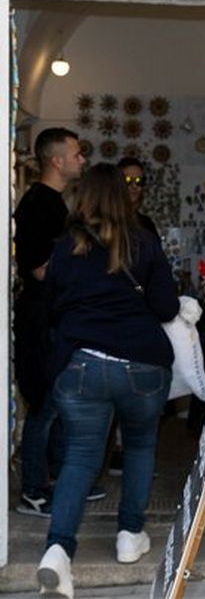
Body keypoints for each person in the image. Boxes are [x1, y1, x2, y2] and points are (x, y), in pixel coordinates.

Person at [36, 164, 179, 599]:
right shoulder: (145, 244)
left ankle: (58, 551)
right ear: (122, 196)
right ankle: (129, 537)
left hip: (82, 365)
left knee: (80, 458)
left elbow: (53, 305)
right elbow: (167, 307)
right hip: (142, 366)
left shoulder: (65, 249)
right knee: (139, 447)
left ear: (84, 198)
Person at [14, 127, 86, 517]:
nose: (82, 159)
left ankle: (60, 479)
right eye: (76, 153)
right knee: (44, 403)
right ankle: (33, 489)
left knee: (61, 401)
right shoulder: (39, 205)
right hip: (41, 319)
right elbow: (40, 268)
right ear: (56, 160)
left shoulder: (56, 204)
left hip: (56, 316)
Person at [117, 156, 158, 236]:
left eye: (139, 181)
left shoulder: (146, 224)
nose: (134, 186)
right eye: (127, 180)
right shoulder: (106, 220)